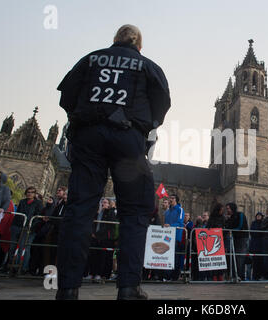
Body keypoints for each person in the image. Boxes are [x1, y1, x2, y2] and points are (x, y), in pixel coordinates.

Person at [55, 24, 171, 300]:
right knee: (134, 212)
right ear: (139, 46)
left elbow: (67, 97)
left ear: (114, 40)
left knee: (79, 209)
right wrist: (144, 126)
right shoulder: (148, 66)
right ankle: (129, 287)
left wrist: (84, 116)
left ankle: (68, 289)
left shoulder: (91, 58)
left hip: (88, 137)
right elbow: (162, 104)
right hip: (128, 138)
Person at [9, 186, 44, 274]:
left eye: (32, 192)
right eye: (28, 192)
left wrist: (31, 227)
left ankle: (22, 267)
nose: (29, 193)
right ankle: (11, 266)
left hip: (29, 228)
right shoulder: (22, 201)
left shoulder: (38, 203)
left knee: (24, 248)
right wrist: (13, 226)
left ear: (34, 194)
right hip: (17, 226)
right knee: (12, 247)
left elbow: (37, 217)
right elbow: (18, 214)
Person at [225, 203, 249, 281]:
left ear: (232, 208)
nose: (227, 210)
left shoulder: (240, 214)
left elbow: (240, 226)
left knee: (240, 257)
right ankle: (235, 275)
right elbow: (228, 226)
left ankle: (240, 276)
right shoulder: (230, 217)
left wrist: (232, 230)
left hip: (242, 238)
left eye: (228, 208)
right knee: (234, 257)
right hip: (234, 238)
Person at [163, 194, 185, 281]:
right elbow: (166, 223)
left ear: (176, 200)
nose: (170, 199)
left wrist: (170, 225)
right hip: (167, 237)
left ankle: (174, 276)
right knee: (167, 255)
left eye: (172, 198)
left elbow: (180, 223)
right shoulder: (167, 212)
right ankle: (167, 276)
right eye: (170, 198)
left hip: (176, 237)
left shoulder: (180, 210)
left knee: (175, 257)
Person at [206, 203, 226, 281]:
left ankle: (220, 275)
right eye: (221, 210)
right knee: (214, 258)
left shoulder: (223, 218)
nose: (222, 211)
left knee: (220, 258)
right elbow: (208, 227)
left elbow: (225, 227)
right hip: (213, 239)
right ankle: (214, 275)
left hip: (221, 239)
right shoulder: (212, 217)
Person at [249, 212, 265, 280]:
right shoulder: (253, 223)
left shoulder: (263, 223)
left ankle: (260, 275)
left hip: (261, 243)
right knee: (255, 261)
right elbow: (252, 232)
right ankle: (254, 276)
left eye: (259, 216)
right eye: (257, 216)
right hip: (255, 243)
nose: (258, 217)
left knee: (261, 261)